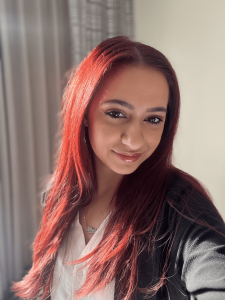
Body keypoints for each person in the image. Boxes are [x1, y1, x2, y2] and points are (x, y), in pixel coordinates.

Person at [12, 36, 225, 300]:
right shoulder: (57, 194)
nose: (134, 140)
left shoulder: (181, 205)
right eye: (116, 113)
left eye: (153, 119)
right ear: (84, 113)